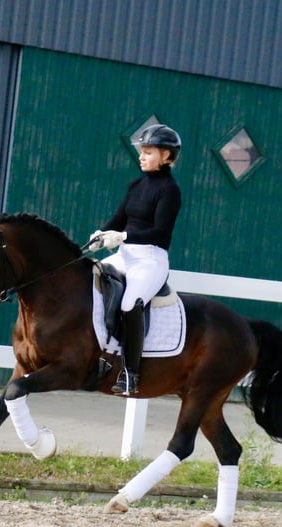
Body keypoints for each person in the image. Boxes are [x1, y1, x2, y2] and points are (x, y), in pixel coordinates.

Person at [89, 124, 182, 396]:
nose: (142, 156)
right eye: (142, 151)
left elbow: (160, 231)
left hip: (150, 259)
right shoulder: (136, 185)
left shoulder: (169, 191)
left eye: (149, 152)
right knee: (90, 279)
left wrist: (124, 236)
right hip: (125, 255)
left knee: (131, 304)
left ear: (166, 156)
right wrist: (102, 233)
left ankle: (131, 373)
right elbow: (118, 219)